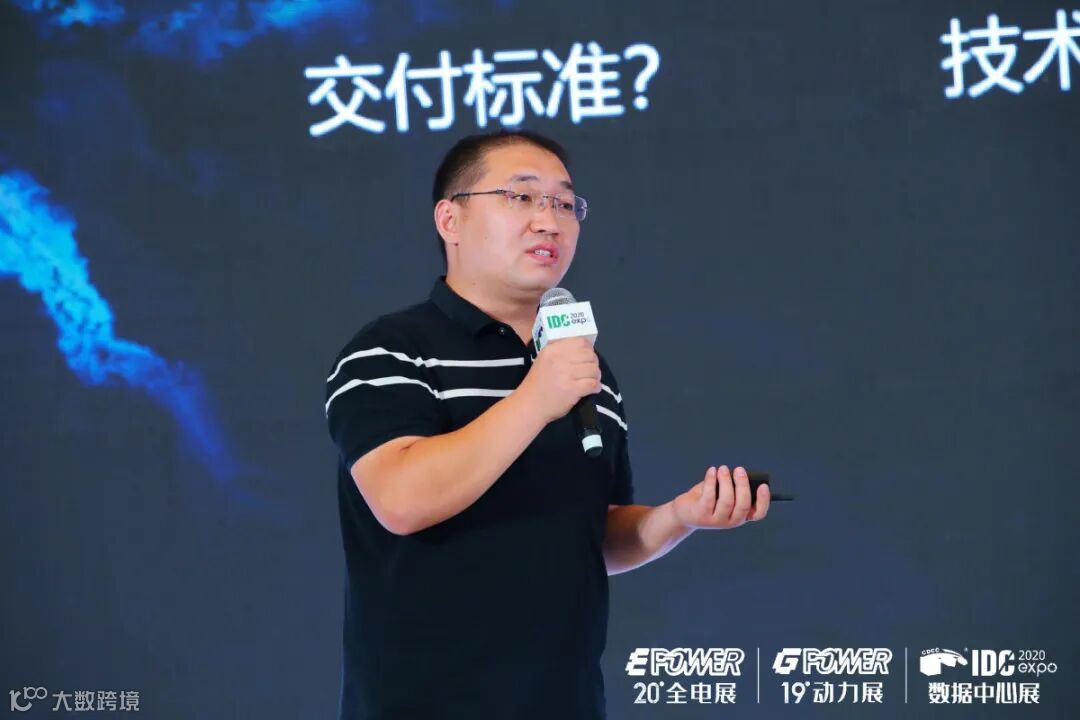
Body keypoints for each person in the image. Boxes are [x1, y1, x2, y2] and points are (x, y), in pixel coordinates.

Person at [324, 129, 770, 720]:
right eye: (521, 197)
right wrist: (537, 397)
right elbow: (403, 500)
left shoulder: (581, 367)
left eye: (564, 203)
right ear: (450, 220)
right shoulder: (391, 351)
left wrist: (679, 517)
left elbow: (591, 535)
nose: (549, 221)